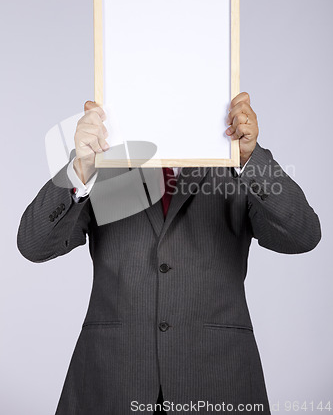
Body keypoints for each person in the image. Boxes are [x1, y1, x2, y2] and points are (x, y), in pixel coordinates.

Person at [17, 92, 321, 415]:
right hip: (112, 382)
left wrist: (250, 159)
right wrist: (80, 169)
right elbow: (33, 244)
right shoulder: (105, 156)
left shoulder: (233, 159)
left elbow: (303, 234)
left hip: (218, 380)